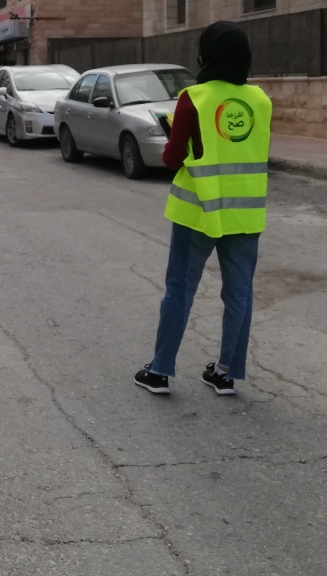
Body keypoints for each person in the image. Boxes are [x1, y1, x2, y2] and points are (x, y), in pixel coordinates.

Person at [134, 21, 273, 397]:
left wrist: (176, 136)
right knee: (239, 293)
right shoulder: (261, 100)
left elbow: (172, 158)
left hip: (197, 212)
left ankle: (160, 371)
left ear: (206, 55)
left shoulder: (193, 98)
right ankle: (225, 374)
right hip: (245, 214)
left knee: (180, 289)